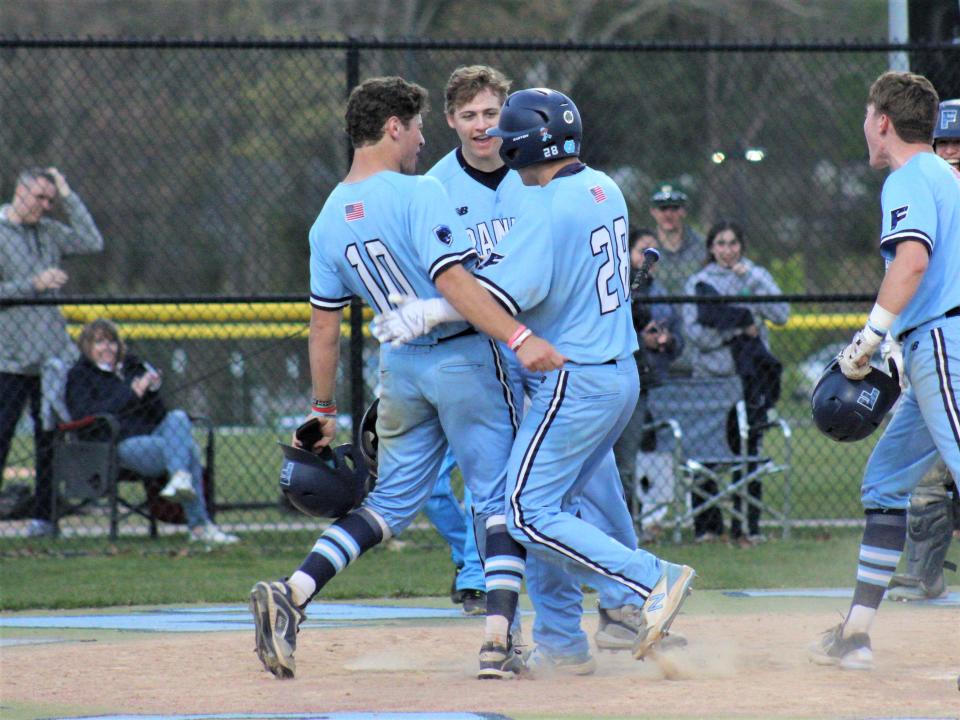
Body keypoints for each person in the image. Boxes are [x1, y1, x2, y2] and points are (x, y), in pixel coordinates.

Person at [248, 76, 565, 681]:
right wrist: (519, 338)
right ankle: (500, 640)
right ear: (394, 126)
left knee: (389, 503)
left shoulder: (325, 221)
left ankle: (293, 592)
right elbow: (453, 283)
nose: (422, 141)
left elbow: (323, 329)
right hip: (466, 360)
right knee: (499, 498)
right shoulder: (420, 193)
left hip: (401, 370)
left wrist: (323, 410)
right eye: (417, 127)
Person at [373, 86, 696, 664]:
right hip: (617, 374)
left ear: (526, 144)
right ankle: (566, 643)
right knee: (558, 509)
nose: (498, 141)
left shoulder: (547, 205)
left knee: (525, 511)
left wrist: (431, 309)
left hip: (574, 379)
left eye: (506, 133)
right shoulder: (605, 187)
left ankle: (648, 582)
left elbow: (500, 293)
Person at [808, 70, 960, 671]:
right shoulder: (943, 177)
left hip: (946, 342)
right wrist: (897, 340)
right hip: (931, 341)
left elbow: (913, 263)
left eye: (867, 117)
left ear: (883, 122)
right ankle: (855, 635)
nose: (865, 129)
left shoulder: (910, 177)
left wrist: (869, 337)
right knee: (885, 482)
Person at [64, 318, 237, 546]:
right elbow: (88, 415)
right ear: (87, 346)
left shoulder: (133, 367)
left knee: (177, 417)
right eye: (99, 342)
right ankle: (199, 526)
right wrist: (132, 393)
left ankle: (180, 479)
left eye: (112, 342)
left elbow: (158, 415)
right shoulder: (80, 375)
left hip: (152, 434)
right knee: (189, 450)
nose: (107, 348)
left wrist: (152, 390)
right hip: (118, 442)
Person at [882, 97, 960, 603]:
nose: (951, 151)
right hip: (939, 342)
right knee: (925, 469)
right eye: (944, 142)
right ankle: (924, 570)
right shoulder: (934, 192)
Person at [0, 167, 104, 538]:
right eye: (40, 197)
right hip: (9, 360)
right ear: (19, 190)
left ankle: (44, 518)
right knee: (3, 436)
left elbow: (93, 242)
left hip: (49, 361)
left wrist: (68, 194)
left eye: (50, 200)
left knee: (49, 442)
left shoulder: (49, 232)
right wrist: (34, 284)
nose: (45, 206)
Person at [682, 220, 788, 542]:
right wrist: (737, 329)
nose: (727, 250)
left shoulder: (755, 276)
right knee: (706, 452)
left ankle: (747, 527)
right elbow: (695, 334)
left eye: (732, 243)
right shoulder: (699, 283)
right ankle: (708, 528)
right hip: (712, 380)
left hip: (749, 379)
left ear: (741, 246)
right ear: (711, 248)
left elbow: (781, 314)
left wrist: (751, 280)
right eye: (720, 244)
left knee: (749, 448)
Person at [612, 228, 684, 532]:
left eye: (653, 251)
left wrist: (663, 341)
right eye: (642, 250)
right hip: (605, 379)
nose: (647, 257)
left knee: (626, 464)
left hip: (641, 381)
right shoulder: (617, 284)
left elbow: (679, 343)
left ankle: (627, 531)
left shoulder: (660, 292)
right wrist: (641, 339)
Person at [648, 183, 704, 296]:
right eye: (663, 208)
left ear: (684, 211)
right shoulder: (645, 246)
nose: (668, 214)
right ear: (653, 211)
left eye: (674, 207)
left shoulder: (701, 244)